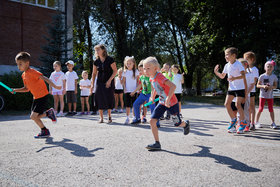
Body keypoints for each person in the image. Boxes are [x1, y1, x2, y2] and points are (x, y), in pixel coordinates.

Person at [143, 57, 190, 150]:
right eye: (144, 68)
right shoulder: (151, 78)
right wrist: (152, 97)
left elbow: (173, 86)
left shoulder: (159, 76)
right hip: (162, 103)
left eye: (148, 68)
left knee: (177, 124)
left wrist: (168, 98)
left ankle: (185, 124)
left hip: (172, 103)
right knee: (152, 121)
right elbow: (155, 89)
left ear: (156, 68)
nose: (145, 71)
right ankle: (157, 143)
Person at [11, 52, 61, 138]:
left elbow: (45, 78)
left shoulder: (33, 72)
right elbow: (26, 89)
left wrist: (55, 86)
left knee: (33, 116)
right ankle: (45, 128)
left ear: (27, 63)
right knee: (35, 117)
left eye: (20, 64)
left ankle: (47, 120)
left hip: (42, 96)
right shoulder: (24, 75)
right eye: (17, 64)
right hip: (36, 98)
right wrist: (15, 90)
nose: (18, 66)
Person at [214, 47, 247, 133]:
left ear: (233, 56)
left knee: (238, 105)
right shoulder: (227, 65)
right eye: (225, 55)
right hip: (231, 88)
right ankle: (233, 120)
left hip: (240, 88)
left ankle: (243, 123)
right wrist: (216, 72)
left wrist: (234, 78)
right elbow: (222, 76)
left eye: (227, 55)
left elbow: (243, 76)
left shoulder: (238, 64)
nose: (225, 57)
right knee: (226, 104)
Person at [91, 44, 117, 123]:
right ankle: (101, 118)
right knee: (99, 98)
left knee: (109, 98)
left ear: (103, 50)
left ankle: (109, 117)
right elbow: (94, 73)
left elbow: (115, 71)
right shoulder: (96, 61)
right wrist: (92, 84)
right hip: (100, 82)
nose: (97, 52)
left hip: (109, 81)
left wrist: (109, 80)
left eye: (98, 50)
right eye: (96, 50)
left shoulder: (110, 59)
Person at [255, 60, 278, 129]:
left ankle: (273, 123)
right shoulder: (262, 76)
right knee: (260, 108)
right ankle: (256, 122)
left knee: (271, 109)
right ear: (265, 68)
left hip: (270, 96)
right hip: (262, 95)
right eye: (268, 66)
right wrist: (263, 86)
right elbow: (257, 85)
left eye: (271, 66)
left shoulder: (274, 77)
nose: (269, 68)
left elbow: (275, 86)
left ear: (273, 68)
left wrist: (271, 87)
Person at [236, 58, 255, 133]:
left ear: (245, 66)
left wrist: (247, 92)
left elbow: (252, 84)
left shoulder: (250, 75)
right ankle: (239, 123)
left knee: (246, 109)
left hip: (247, 95)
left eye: (240, 66)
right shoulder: (238, 75)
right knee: (239, 108)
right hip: (239, 95)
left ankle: (247, 124)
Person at [243, 51, 259, 130]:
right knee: (247, 107)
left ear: (252, 59)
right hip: (246, 90)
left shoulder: (254, 69)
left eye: (246, 59)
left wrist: (248, 91)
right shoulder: (245, 69)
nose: (245, 61)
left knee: (252, 106)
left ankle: (252, 122)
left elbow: (254, 81)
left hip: (251, 91)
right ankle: (248, 122)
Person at [122, 56, 139, 124]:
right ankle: (127, 117)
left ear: (133, 64)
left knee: (134, 105)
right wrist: (125, 89)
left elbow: (138, 81)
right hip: (127, 91)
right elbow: (124, 82)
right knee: (128, 105)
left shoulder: (136, 71)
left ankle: (134, 117)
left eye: (130, 63)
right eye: (127, 63)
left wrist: (136, 90)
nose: (128, 65)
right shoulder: (125, 72)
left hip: (134, 91)